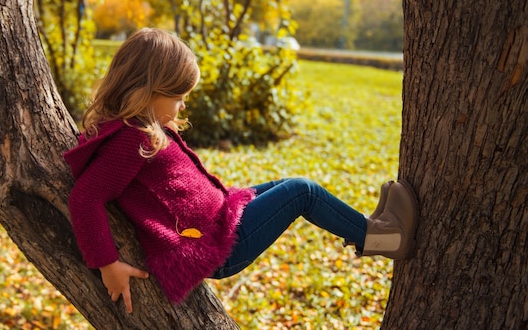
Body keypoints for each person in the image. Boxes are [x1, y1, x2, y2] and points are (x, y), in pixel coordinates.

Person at [64, 28, 418, 314]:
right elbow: (85, 198)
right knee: (301, 191)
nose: (183, 104)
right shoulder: (130, 139)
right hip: (218, 247)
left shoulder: (137, 127)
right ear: (148, 91)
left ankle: (366, 228)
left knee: (283, 186)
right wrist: (107, 264)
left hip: (222, 217)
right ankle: (381, 238)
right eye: (178, 96)